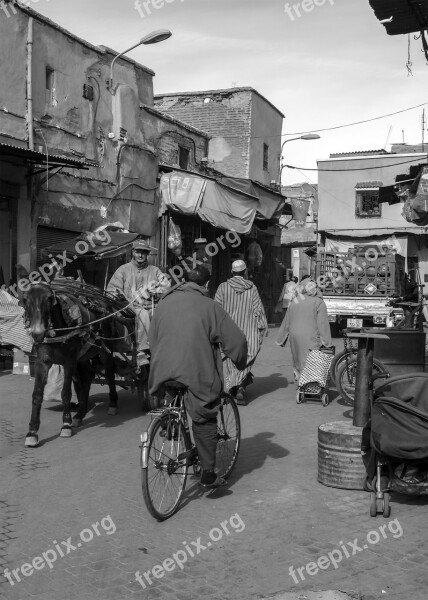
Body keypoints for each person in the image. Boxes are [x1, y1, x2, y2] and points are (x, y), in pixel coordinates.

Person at [148, 266, 247, 488]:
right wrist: (240, 362)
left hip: (162, 370)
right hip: (194, 372)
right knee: (204, 414)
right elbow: (236, 341)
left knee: (174, 397)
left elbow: (152, 339)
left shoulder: (163, 303)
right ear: (206, 285)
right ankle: (208, 473)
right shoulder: (209, 306)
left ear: (183, 281)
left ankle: (171, 423)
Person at [107, 240, 170, 365]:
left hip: (153, 306)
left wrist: (157, 294)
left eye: (144, 253)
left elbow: (166, 288)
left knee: (165, 315)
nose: (140, 255)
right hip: (129, 308)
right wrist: (121, 298)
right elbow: (112, 290)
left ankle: (165, 347)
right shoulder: (123, 270)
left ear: (147, 255)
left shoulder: (155, 270)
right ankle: (142, 349)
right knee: (143, 314)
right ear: (133, 252)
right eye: (138, 252)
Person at [214, 260, 267, 406]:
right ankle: (239, 387)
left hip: (228, 333)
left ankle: (232, 386)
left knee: (230, 360)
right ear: (245, 272)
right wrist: (262, 328)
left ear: (232, 272)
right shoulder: (252, 288)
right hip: (248, 332)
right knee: (246, 359)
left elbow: (216, 310)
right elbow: (258, 311)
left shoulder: (222, 288)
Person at [277, 277, 331, 382]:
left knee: (297, 357)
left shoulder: (296, 300)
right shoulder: (319, 302)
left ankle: (300, 379)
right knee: (310, 359)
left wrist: (281, 338)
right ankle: (309, 384)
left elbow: (287, 320)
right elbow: (322, 324)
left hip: (294, 335)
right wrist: (327, 342)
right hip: (310, 335)